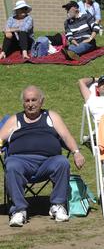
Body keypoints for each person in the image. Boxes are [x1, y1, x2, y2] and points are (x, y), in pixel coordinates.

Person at [0, 86, 85, 227]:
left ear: (41, 101)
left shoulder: (51, 116)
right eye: (27, 100)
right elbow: (0, 138)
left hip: (48, 162)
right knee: (11, 165)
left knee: (62, 162)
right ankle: (19, 211)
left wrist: (76, 152)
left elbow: (65, 135)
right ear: (23, 103)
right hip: (21, 162)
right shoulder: (15, 119)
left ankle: (58, 206)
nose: (30, 104)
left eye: (34, 100)